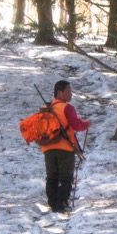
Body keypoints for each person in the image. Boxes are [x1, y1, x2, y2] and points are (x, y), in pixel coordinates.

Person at [41, 80, 91, 213]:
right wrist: (87, 124)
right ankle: (62, 205)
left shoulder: (46, 108)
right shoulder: (67, 108)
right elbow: (77, 125)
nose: (71, 94)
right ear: (60, 92)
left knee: (51, 177)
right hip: (65, 148)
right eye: (68, 91)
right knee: (65, 178)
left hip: (48, 148)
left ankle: (52, 204)